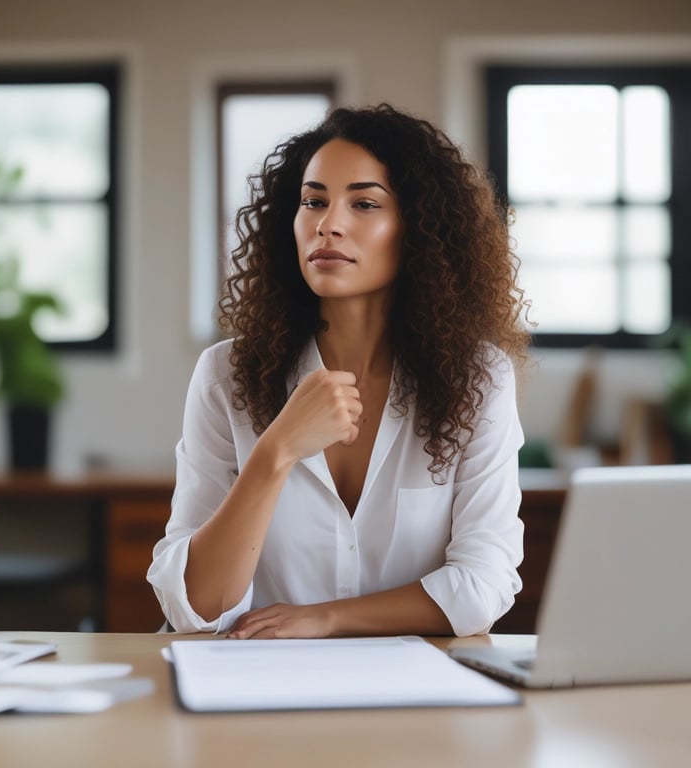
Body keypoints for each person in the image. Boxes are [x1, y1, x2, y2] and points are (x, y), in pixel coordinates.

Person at [147, 103, 530, 639]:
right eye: (314, 201)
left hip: (414, 695)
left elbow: (483, 585)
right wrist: (275, 452)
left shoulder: (479, 378)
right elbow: (195, 606)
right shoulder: (225, 375)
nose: (329, 224)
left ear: (419, 228)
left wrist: (325, 618)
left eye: (365, 203)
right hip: (251, 689)